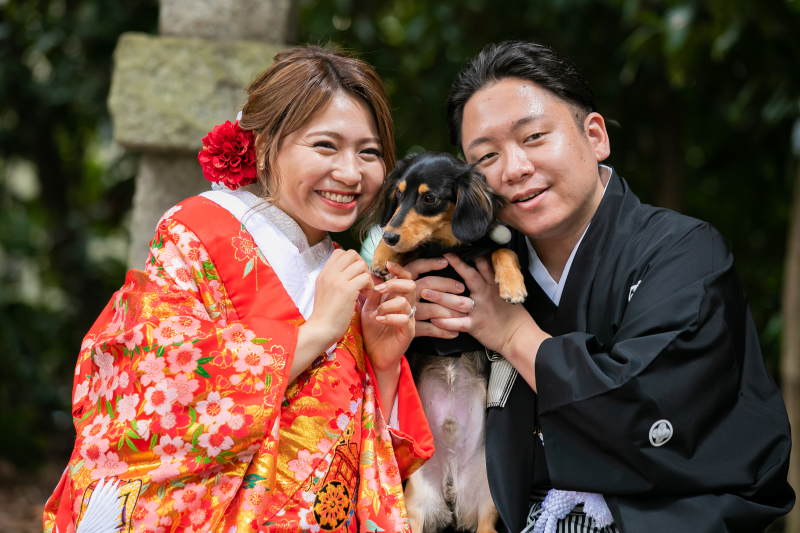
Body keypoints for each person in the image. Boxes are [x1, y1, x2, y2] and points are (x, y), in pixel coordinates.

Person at [407, 41, 794, 532]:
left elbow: (643, 409)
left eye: (534, 137)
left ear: (595, 136)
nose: (514, 169)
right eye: (485, 158)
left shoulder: (685, 252)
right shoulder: (481, 274)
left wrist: (511, 335)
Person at [43, 46, 433, 533]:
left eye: (369, 152)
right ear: (266, 145)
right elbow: (153, 398)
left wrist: (383, 361)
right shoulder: (199, 231)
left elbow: (363, 447)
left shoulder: (346, 276)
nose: (351, 173)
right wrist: (314, 334)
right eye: (326, 146)